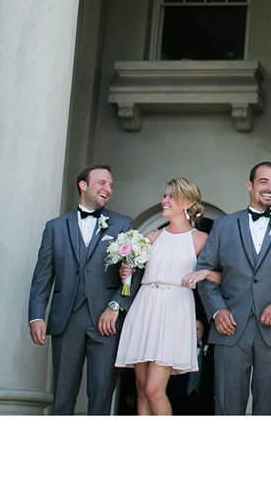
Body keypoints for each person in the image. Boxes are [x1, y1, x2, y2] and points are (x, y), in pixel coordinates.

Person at [193, 160, 271, 415]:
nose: (270, 188)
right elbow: (203, 272)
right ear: (250, 186)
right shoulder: (224, 226)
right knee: (226, 407)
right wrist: (217, 311)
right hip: (230, 327)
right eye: (263, 181)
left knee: (267, 409)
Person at [27, 164, 132, 415]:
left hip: (105, 320)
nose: (108, 189)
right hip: (67, 318)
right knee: (62, 395)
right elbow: (43, 276)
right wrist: (36, 315)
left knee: (101, 394)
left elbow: (133, 274)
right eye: (102, 183)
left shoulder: (122, 224)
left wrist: (116, 305)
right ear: (83, 186)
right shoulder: (55, 227)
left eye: (111, 185)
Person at [114, 178, 211, 415]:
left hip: (174, 310)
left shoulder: (200, 239)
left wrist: (205, 272)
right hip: (145, 306)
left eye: (170, 196)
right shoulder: (151, 237)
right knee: (141, 388)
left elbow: (222, 277)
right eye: (165, 195)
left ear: (186, 202)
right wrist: (125, 271)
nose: (164, 201)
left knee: (154, 389)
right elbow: (133, 277)